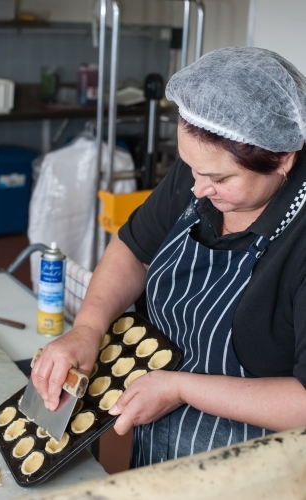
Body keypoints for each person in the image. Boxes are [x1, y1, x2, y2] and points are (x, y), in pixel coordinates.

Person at [31, 47, 306, 467]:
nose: (197, 189)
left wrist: (181, 388)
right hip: (161, 445)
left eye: (218, 179)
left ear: (282, 157)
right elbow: (134, 250)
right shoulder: (201, 170)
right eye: (190, 169)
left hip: (259, 469)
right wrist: (87, 327)